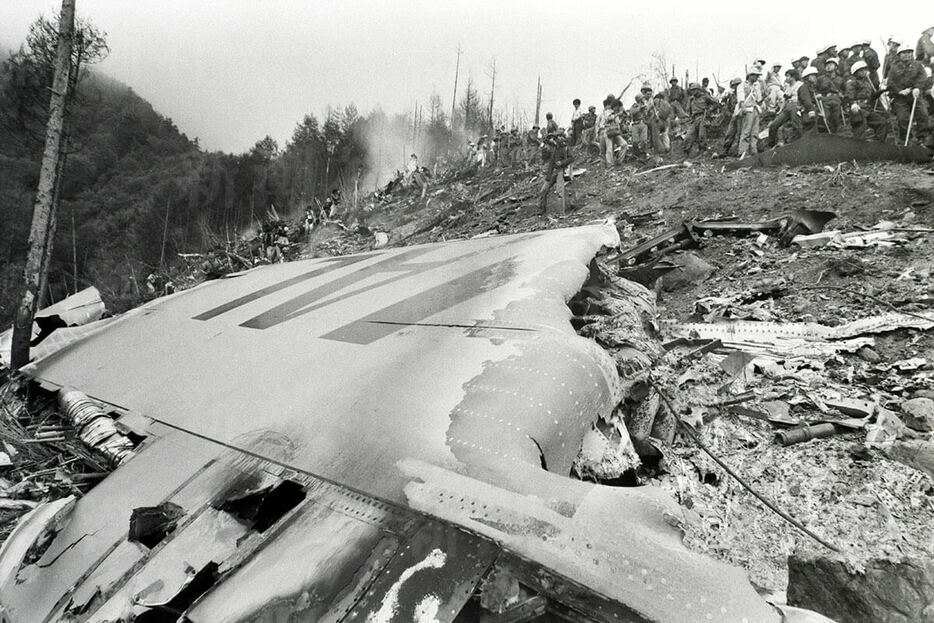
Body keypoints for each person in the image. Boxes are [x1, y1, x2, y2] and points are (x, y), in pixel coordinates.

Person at [887, 44, 931, 144]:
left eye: (909, 52)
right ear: (899, 55)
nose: (907, 55)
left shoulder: (918, 66)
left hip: (915, 95)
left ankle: (922, 137)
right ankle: (906, 139)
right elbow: (890, 83)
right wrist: (899, 91)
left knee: (923, 114)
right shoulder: (894, 68)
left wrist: (917, 88)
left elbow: (922, 78)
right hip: (900, 98)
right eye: (904, 53)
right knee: (902, 118)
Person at [768, 68, 815, 146]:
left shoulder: (801, 86)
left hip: (796, 107)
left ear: (793, 77)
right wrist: (780, 111)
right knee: (774, 125)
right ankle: (771, 144)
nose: (786, 78)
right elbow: (784, 100)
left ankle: (803, 143)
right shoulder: (788, 87)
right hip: (787, 108)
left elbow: (806, 99)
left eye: (787, 76)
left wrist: (810, 110)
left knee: (797, 126)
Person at [845, 60, 887, 141]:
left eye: (865, 69)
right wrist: (853, 104)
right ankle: (858, 148)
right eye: (861, 70)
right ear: (855, 72)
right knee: (861, 129)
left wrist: (881, 91)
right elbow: (850, 96)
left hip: (867, 109)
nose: (864, 72)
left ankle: (879, 144)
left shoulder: (867, 84)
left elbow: (871, 98)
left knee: (882, 122)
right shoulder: (852, 83)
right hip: (857, 109)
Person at [538, 130, 573, 216]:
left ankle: (561, 213)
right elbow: (544, 157)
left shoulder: (564, 147)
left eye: (552, 138)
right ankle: (542, 211)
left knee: (559, 192)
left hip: (560, 171)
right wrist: (544, 149)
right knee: (543, 190)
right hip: (551, 172)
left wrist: (562, 162)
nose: (551, 141)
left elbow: (571, 158)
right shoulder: (550, 147)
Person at [681, 82, 719, 156]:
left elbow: (715, 103)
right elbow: (688, 110)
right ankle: (686, 152)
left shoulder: (705, 96)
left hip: (702, 117)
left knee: (702, 136)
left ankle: (703, 151)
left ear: (698, 90)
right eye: (692, 90)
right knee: (688, 136)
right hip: (694, 119)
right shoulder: (691, 99)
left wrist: (709, 110)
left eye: (694, 90)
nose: (693, 92)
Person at [736, 68, 763, 158]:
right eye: (756, 75)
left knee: (755, 132)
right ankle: (743, 152)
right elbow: (741, 99)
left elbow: (759, 99)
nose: (757, 77)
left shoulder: (756, 86)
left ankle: (753, 151)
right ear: (750, 75)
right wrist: (743, 108)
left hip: (755, 109)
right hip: (748, 110)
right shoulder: (742, 85)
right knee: (746, 131)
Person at [814, 58, 844, 133]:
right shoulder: (820, 79)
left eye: (831, 64)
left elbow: (845, 90)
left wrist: (842, 94)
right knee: (825, 115)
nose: (828, 66)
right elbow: (814, 89)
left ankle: (835, 130)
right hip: (824, 98)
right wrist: (818, 94)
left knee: (836, 116)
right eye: (827, 65)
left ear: (836, 67)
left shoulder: (840, 79)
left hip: (836, 99)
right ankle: (826, 129)